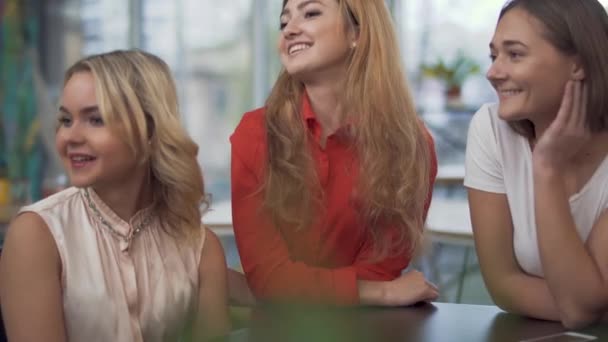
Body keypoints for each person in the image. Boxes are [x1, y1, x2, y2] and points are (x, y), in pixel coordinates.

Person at [0, 50, 229, 341]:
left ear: (150, 129)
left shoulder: (201, 248)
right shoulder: (36, 234)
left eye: (95, 120)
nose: (71, 137)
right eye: (66, 120)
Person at [229, 0, 438, 306]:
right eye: (284, 22)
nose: (290, 30)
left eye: (310, 13)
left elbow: (379, 267)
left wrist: (315, 289)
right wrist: (381, 293)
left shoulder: (411, 144)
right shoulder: (254, 135)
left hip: (368, 327)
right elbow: (270, 279)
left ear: (358, 33)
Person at [465, 0, 608, 329]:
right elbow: (504, 284)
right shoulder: (490, 129)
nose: (493, 72)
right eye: (494, 55)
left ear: (578, 64)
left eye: (514, 54)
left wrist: (546, 169)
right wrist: (592, 307)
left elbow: (581, 310)